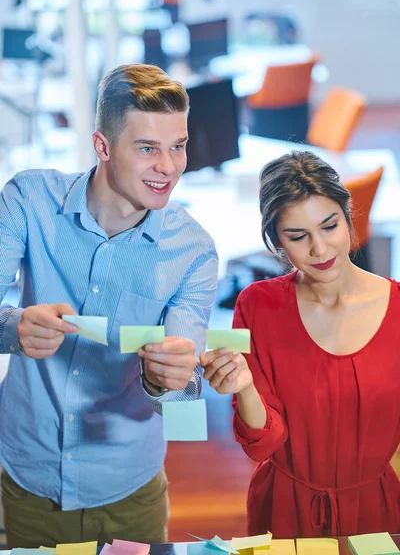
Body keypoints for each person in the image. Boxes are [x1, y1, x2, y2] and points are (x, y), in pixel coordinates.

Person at [0, 64, 218, 548]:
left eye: (177, 146)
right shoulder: (28, 201)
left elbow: (183, 401)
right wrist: (13, 327)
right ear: (102, 147)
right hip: (28, 477)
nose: (169, 166)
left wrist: (171, 379)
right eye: (147, 148)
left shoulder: (194, 251)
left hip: (129, 493)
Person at [200, 151, 400, 538]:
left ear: (348, 217)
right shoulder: (256, 305)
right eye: (298, 236)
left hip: (379, 509)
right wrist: (245, 388)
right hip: (284, 508)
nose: (320, 250)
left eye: (330, 227)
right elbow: (263, 444)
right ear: (276, 242)